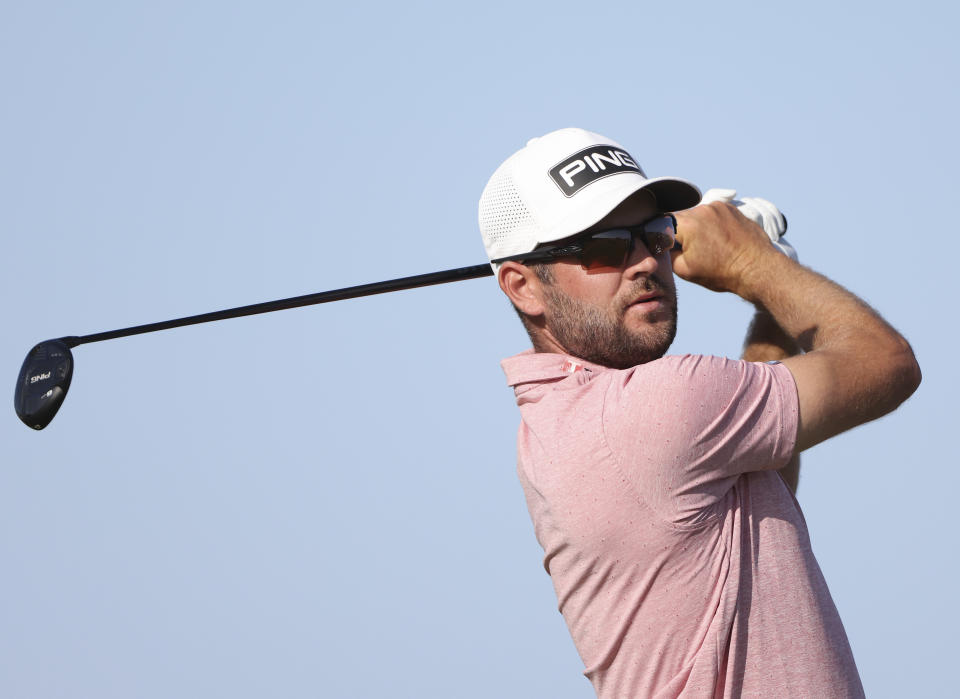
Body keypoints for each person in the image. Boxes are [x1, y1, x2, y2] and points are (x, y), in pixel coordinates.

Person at [478, 127, 920, 698]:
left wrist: (769, 290)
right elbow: (888, 364)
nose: (644, 263)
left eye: (655, 235)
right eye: (605, 248)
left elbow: (762, 474)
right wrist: (754, 263)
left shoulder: (560, 424)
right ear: (523, 286)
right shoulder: (656, 406)